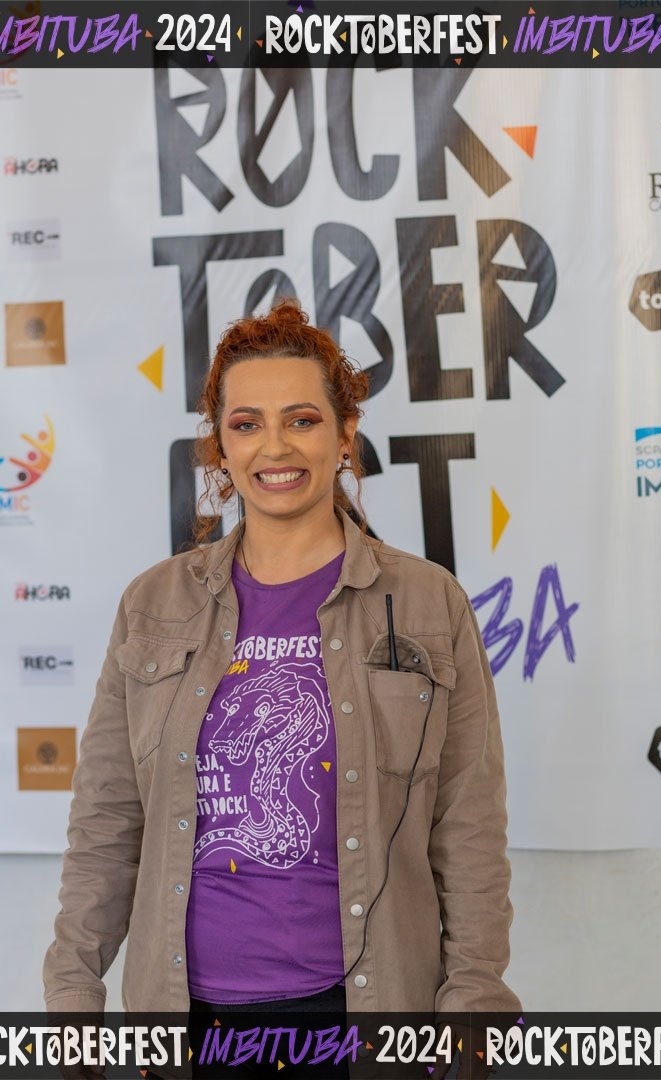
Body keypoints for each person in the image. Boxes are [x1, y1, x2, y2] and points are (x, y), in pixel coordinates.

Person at [43, 298, 522, 1080]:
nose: (274, 446)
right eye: (246, 424)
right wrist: (72, 1000)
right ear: (220, 446)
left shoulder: (428, 603)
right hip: (186, 1022)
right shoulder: (154, 603)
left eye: (302, 420)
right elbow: (107, 820)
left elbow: (468, 829)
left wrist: (473, 1010)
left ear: (344, 434)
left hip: (366, 1018)